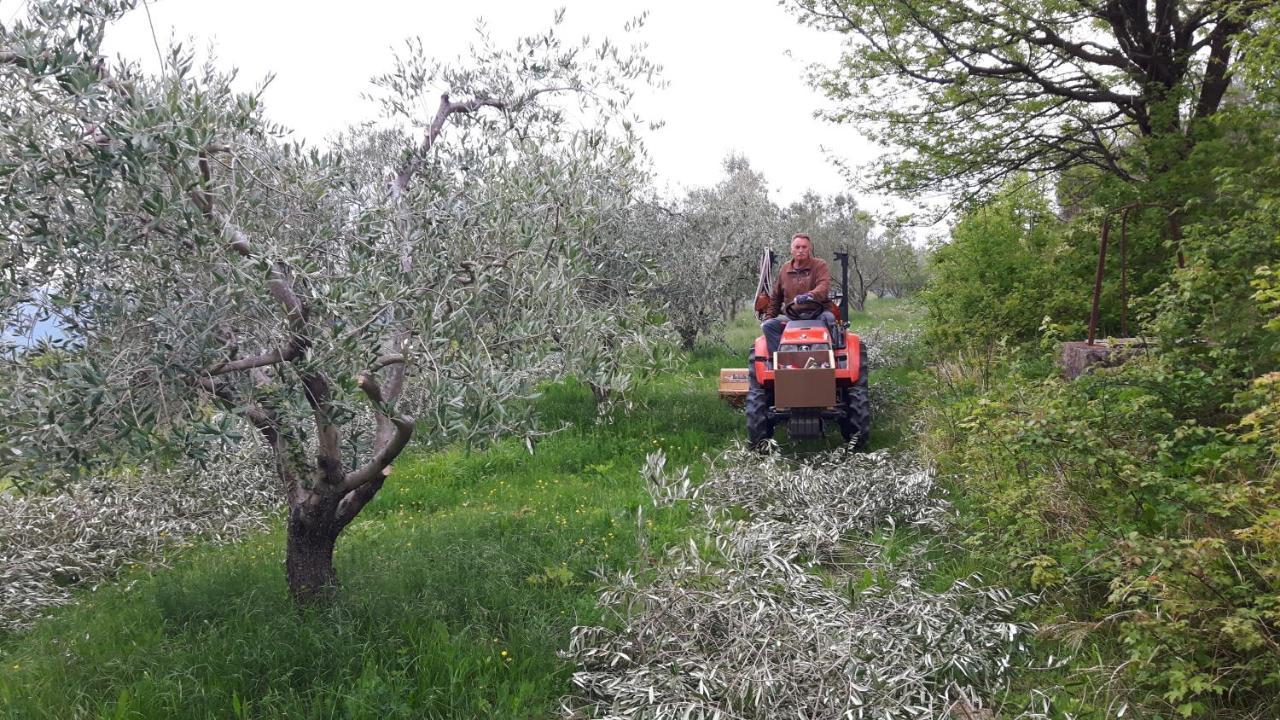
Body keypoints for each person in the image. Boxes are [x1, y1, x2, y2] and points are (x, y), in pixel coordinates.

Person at [762, 233, 838, 355]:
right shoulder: (784, 270)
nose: (801, 250)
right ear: (791, 250)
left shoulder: (819, 265)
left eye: (804, 247)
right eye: (797, 247)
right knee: (768, 326)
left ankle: (829, 358)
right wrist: (768, 317)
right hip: (792, 316)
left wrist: (810, 296)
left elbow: (823, 287)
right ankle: (781, 360)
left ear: (810, 249)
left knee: (829, 319)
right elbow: (776, 298)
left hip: (817, 314)